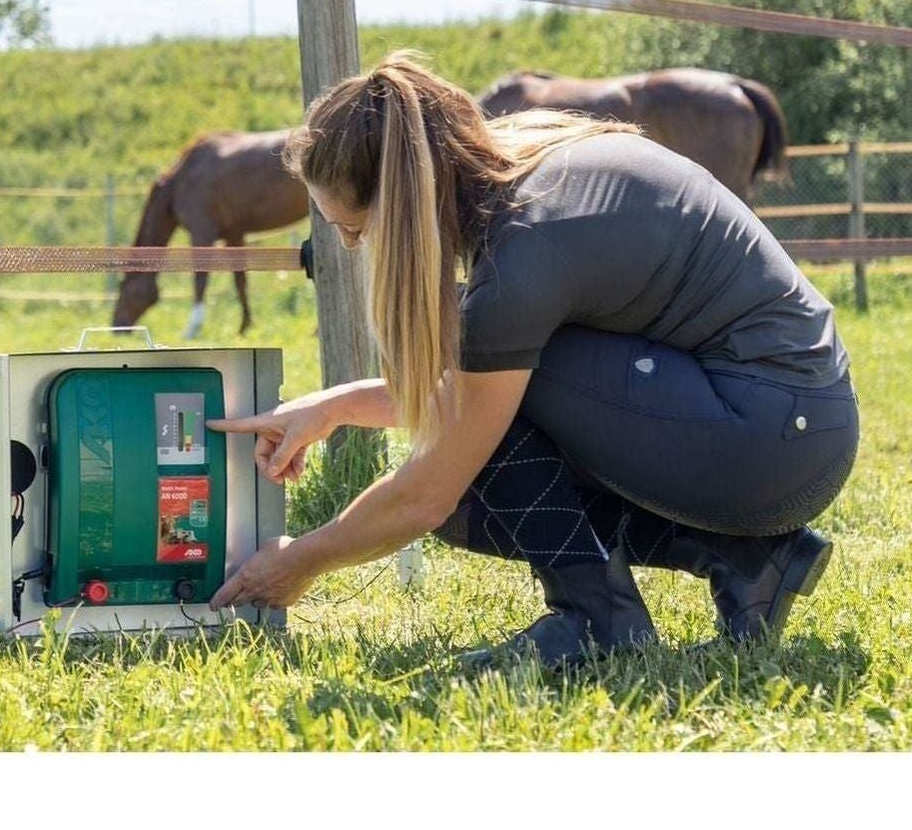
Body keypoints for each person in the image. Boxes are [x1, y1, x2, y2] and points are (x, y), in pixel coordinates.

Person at [208, 51, 859, 671]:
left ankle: (596, 623)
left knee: (474, 439)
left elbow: (426, 492)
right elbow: (473, 398)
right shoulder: (527, 166)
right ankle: (748, 558)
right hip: (786, 419)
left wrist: (300, 561)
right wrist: (338, 407)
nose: (355, 247)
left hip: (777, 431)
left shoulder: (526, 246)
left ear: (401, 202)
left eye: (357, 228)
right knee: (479, 461)